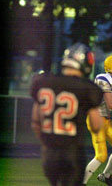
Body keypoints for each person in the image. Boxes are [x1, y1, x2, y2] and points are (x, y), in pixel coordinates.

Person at [30, 43, 104, 186]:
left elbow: (35, 123)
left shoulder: (43, 81)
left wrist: (47, 143)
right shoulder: (88, 88)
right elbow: (96, 126)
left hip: (49, 153)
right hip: (72, 152)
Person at [83, 54, 112, 186]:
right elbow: (111, 104)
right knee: (101, 155)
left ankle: (105, 175)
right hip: (96, 119)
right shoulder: (103, 78)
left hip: (108, 120)